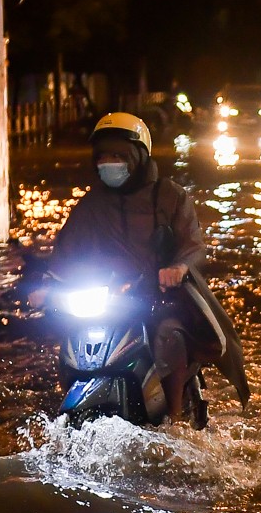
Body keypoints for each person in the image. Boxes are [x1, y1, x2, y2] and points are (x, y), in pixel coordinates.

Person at [45, 113, 249, 418]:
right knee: (73, 341)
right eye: (103, 156)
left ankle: (176, 421)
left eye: (117, 155)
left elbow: (194, 246)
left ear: (137, 156)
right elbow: (65, 251)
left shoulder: (171, 196)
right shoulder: (92, 204)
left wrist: (178, 269)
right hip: (108, 298)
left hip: (161, 296)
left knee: (170, 336)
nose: (108, 163)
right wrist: (46, 283)